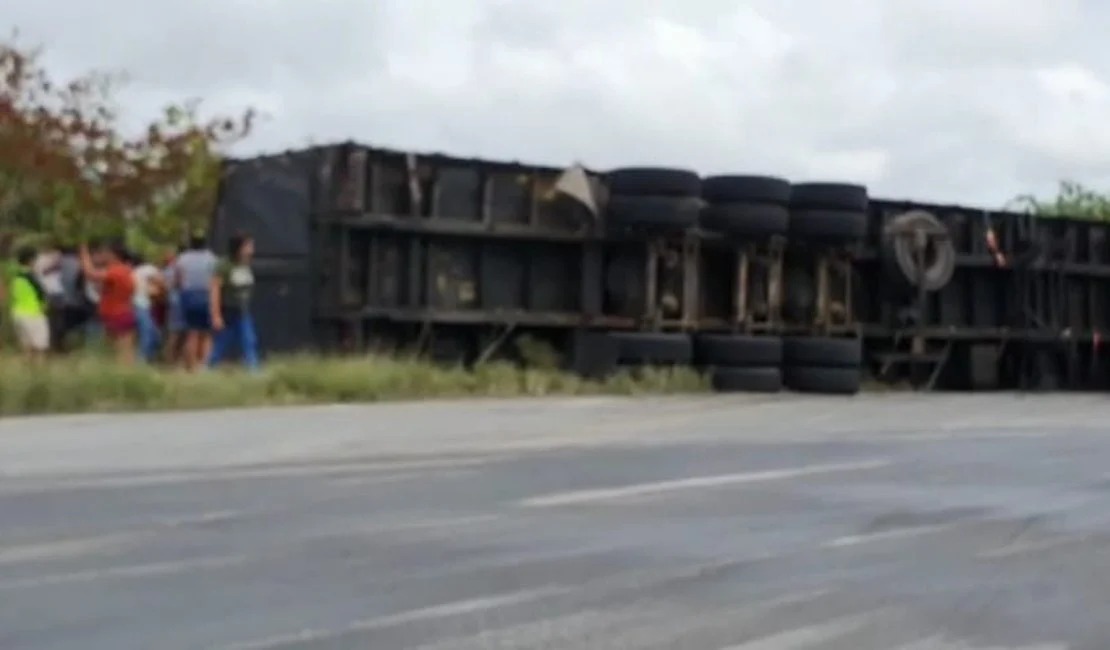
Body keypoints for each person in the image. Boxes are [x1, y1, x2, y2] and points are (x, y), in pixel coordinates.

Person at [79, 241, 136, 364]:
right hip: (115, 313)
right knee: (115, 351)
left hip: (118, 314)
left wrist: (84, 252)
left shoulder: (117, 271)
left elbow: (90, 274)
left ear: (113, 255)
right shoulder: (121, 271)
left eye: (105, 252)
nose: (102, 255)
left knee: (122, 351)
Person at [208, 233, 259, 371]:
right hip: (227, 311)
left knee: (249, 340)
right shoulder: (224, 265)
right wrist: (216, 314)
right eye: (248, 246)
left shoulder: (245, 264)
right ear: (239, 247)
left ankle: (253, 370)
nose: (252, 249)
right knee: (221, 344)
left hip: (242, 310)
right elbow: (215, 290)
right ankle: (209, 368)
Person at [173, 235, 218, 371]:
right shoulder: (211, 258)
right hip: (206, 294)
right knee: (207, 333)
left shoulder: (183, 258)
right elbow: (214, 278)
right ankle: (205, 364)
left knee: (192, 332)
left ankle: (191, 366)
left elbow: (178, 280)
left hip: (189, 295)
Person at [9, 246, 50, 361]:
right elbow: (43, 296)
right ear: (31, 260)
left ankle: (27, 372)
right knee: (40, 349)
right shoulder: (32, 277)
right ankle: (39, 374)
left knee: (26, 349)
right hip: (33, 314)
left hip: (17, 314)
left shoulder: (15, 276)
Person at [55, 244, 90, 352]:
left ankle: (63, 349)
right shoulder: (79, 262)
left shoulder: (61, 262)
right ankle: (80, 348)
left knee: (64, 328)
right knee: (82, 327)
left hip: (66, 301)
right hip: (79, 301)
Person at [130, 251, 164, 362]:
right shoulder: (149, 268)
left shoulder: (133, 272)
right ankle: (142, 360)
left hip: (135, 304)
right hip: (143, 305)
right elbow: (160, 282)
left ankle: (147, 358)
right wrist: (160, 291)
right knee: (149, 333)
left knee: (149, 333)